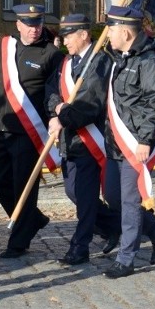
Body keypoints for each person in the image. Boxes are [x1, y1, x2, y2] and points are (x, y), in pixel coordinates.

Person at [0, 4, 64, 259]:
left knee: (23, 188)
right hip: (1, 128)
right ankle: (33, 219)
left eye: (37, 24)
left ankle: (19, 242)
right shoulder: (4, 46)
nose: (34, 29)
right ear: (18, 25)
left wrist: (55, 118)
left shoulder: (51, 54)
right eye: (28, 24)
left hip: (29, 132)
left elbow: (55, 91)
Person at [101, 6, 155, 278]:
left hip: (136, 144)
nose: (107, 34)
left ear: (125, 32)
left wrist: (145, 140)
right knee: (112, 196)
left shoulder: (151, 61)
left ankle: (126, 258)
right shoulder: (120, 58)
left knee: (130, 200)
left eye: (110, 29)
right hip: (115, 142)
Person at [46, 14, 122, 265]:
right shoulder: (67, 62)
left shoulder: (100, 62)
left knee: (86, 198)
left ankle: (80, 248)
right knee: (74, 192)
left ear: (83, 34)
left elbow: (91, 104)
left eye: (68, 36)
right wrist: (56, 110)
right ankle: (143, 227)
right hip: (71, 140)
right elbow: (52, 92)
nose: (64, 40)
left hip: (92, 139)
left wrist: (63, 117)